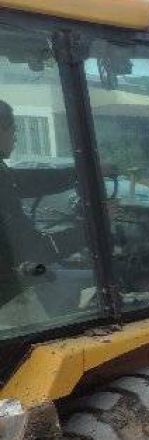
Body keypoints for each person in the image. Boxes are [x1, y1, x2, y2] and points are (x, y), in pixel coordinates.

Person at [0, 100, 76, 307]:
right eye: (12, 129)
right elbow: (33, 250)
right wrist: (89, 232)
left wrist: (83, 173)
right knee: (81, 289)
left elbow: (28, 180)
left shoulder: (4, 175)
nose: (15, 136)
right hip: (10, 293)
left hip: (15, 277)